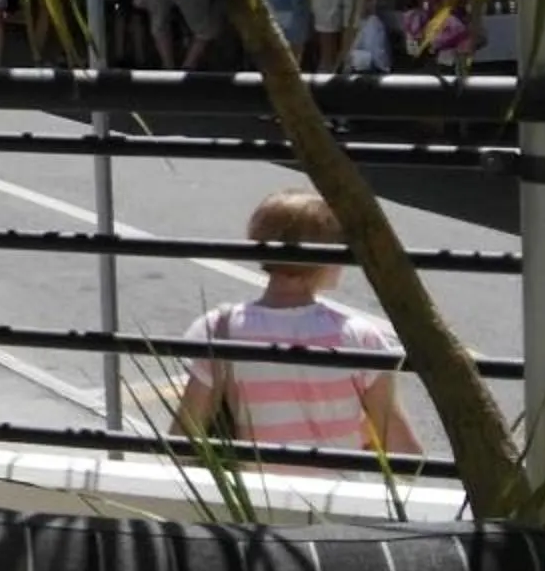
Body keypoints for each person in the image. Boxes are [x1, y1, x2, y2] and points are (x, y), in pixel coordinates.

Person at [177, 190, 419, 454]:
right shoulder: (360, 338)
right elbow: (403, 450)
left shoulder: (218, 330)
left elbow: (186, 439)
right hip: (340, 491)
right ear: (326, 257)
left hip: (259, 492)